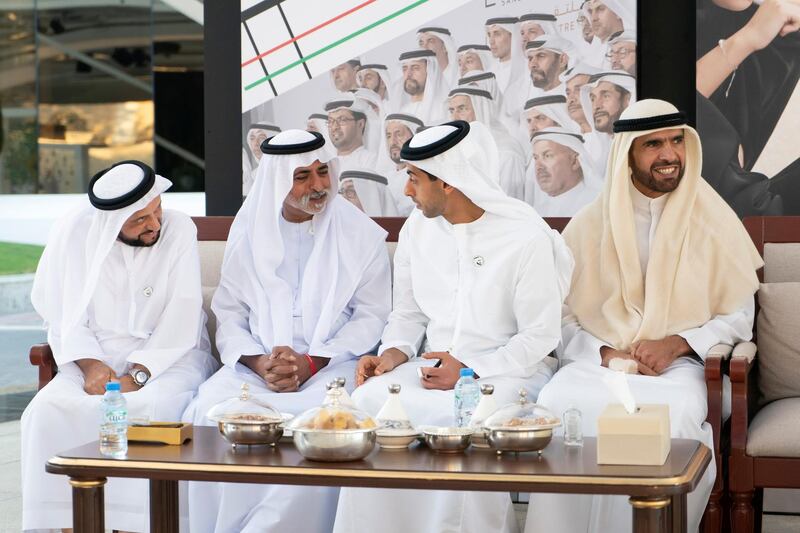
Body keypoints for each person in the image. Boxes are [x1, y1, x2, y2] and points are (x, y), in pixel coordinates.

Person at [524, 99, 764, 533]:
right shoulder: (586, 226)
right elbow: (558, 316)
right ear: (627, 154)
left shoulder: (714, 220)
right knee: (559, 405)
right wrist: (605, 352)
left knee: (670, 414)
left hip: (685, 367)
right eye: (653, 144)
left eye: (677, 141)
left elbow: (739, 315)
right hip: (599, 364)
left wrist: (675, 344)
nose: (670, 154)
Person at [334, 120, 574, 533]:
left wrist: (469, 369)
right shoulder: (417, 230)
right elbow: (408, 314)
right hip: (431, 366)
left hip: (509, 372)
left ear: (448, 182)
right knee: (369, 404)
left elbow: (539, 336)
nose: (406, 190)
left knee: (466, 419)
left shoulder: (524, 236)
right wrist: (393, 352)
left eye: (414, 178)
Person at [185, 130, 391, 533]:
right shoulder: (249, 232)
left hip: (333, 365)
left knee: (329, 421)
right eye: (302, 176)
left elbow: (373, 316)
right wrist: (259, 362)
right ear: (279, 181)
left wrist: (312, 362)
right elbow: (229, 312)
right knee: (208, 412)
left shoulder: (360, 233)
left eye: (322, 172)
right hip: (256, 366)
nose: (318, 186)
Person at [21, 160, 217, 532]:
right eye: (139, 220)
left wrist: (140, 373)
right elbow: (63, 315)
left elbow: (184, 313)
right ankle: (74, 522)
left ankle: (142, 524)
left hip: (172, 357)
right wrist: (92, 366)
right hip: (91, 357)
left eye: (156, 210)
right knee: (47, 410)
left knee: (150, 407)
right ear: (111, 223)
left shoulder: (179, 229)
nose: (155, 224)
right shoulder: (77, 234)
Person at [448, 87, 528, 200]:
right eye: (452, 111)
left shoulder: (507, 152)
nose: (454, 118)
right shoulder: (460, 150)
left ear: (481, 109)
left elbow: (510, 203)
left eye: (462, 109)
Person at [525, 127, 602, 214]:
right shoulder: (537, 211)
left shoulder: (597, 205)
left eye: (548, 156)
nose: (538, 166)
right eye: (536, 158)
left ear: (575, 161)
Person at [580, 70, 637, 167]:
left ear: (628, 99)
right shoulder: (591, 152)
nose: (596, 106)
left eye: (606, 96)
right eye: (593, 99)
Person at [380, 112, 424, 216]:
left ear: (414, 136)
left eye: (398, 134)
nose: (392, 142)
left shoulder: (424, 176)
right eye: (389, 136)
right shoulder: (384, 179)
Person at [325, 97, 378, 171]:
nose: (334, 127)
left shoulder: (372, 161)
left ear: (360, 124)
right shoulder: (325, 164)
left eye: (342, 120)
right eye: (330, 121)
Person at [398, 49, 448, 125]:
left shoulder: (446, 107)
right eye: (405, 69)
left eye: (415, 68)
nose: (408, 74)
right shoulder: (402, 112)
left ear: (431, 71)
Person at [485, 16, 525, 91]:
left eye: (497, 34)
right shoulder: (488, 74)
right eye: (489, 35)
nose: (491, 41)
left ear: (513, 36)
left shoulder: (527, 69)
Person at [243, 122, 281, 196]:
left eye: (261, 138)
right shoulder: (253, 175)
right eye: (252, 138)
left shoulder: (284, 172)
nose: (255, 144)